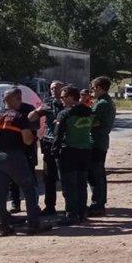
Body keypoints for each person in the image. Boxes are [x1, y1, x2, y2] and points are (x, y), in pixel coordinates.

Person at [0, 88, 53, 236]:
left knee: (0, 193)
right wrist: (33, 138)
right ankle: (33, 224)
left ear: (3, 100)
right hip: (15, 156)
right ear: (18, 99)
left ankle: (2, 226)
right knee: (29, 190)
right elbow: (27, 140)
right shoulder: (19, 117)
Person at [53, 86, 93, 225]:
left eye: (63, 97)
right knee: (81, 184)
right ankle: (82, 213)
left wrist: (54, 152)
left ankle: (71, 215)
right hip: (85, 151)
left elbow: (57, 136)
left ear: (70, 97)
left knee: (69, 186)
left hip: (69, 152)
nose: (61, 100)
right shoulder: (88, 111)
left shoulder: (65, 114)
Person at [28, 80, 63, 215]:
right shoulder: (47, 103)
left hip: (65, 143)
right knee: (49, 177)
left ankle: (71, 207)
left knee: (66, 177)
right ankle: (50, 206)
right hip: (49, 142)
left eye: (56, 88)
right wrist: (37, 111)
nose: (53, 90)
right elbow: (31, 118)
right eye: (52, 88)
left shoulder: (68, 103)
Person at [89, 76, 116, 215]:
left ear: (99, 88)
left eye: (93, 88)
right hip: (101, 141)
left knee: (95, 174)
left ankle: (97, 203)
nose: (91, 91)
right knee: (98, 173)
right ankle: (99, 202)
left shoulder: (102, 104)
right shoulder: (105, 101)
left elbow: (91, 121)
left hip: (96, 141)